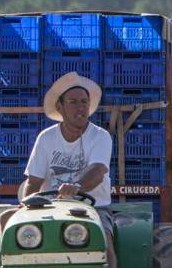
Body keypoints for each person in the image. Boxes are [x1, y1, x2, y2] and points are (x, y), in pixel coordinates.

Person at [21, 71, 113, 206]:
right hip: (51, 209)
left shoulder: (101, 136)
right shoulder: (45, 138)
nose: (80, 107)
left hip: (94, 209)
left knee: (103, 228)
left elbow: (98, 171)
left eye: (84, 102)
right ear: (59, 107)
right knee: (7, 218)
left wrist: (76, 186)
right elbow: (33, 181)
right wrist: (26, 205)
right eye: (73, 102)